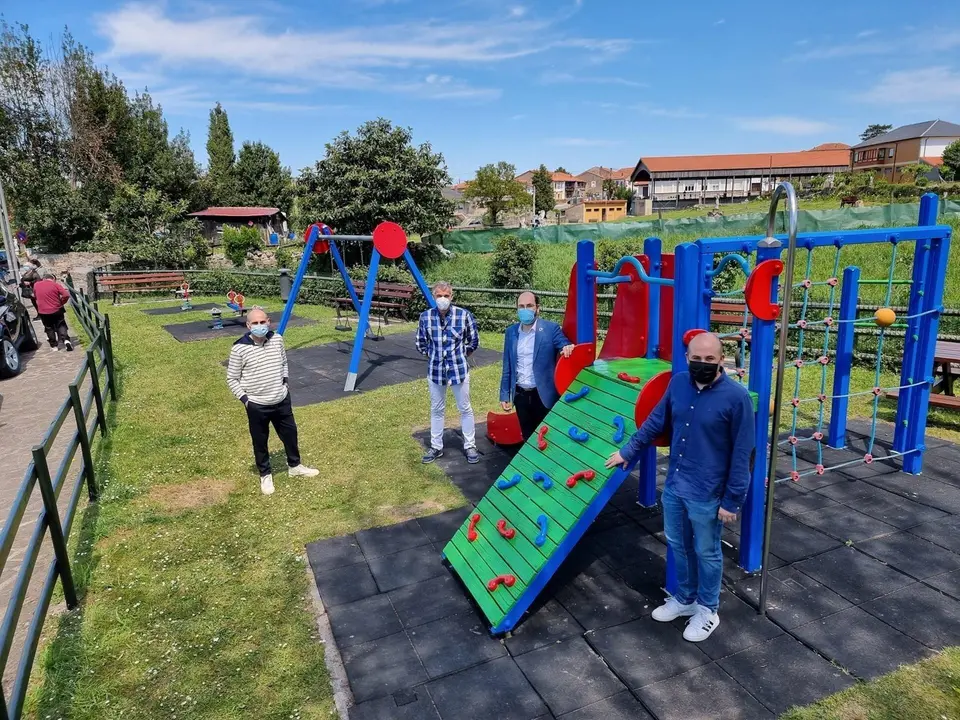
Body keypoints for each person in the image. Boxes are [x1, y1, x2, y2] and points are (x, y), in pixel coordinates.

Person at [605, 332, 755, 642]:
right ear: (687, 358)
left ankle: (707, 610)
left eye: (710, 359)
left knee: (707, 551)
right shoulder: (678, 385)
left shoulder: (736, 398)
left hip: (709, 492)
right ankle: (685, 600)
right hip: (675, 484)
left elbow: (743, 454)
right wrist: (628, 451)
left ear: (721, 359)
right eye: (696, 359)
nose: (702, 364)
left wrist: (733, 500)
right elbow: (655, 422)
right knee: (677, 544)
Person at [226, 307, 318, 495]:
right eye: (255, 323)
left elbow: (284, 363)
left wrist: (285, 383)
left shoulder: (277, 340)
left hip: (281, 399)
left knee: (290, 435)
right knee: (260, 441)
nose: (260, 326)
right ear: (248, 325)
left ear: (269, 322)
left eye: (263, 322)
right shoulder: (239, 348)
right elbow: (232, 379)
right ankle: (265, 474)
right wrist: (246, 400)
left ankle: (295, 466)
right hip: (257, 404)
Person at [415, 281, 480, 464]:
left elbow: (473, 340)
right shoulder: (425, 317)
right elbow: (420, 343)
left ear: (451, 297)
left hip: (459, 369)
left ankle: (470, 445)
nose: (442, 299)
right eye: (439, 295)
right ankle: (436, 446)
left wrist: (460, 355)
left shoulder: (463, 315)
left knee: (465, 408)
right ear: (433, 296)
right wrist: (433, 355)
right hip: (436, 370)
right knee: (437, 409)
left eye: (446, 295)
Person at [499, 291, 575, 440]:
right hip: (520, 395)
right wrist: (504, 394)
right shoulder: (511, 332)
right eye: (521, 306)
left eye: (529, 306)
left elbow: (564, 344)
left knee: (547, 437)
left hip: (543, 395)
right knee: (527, 437)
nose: (525, 309)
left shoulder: (550, 329)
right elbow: (507, 364)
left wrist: (567, 347)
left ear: (537, 308)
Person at [34, 269, 73, 351]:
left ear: (44, 279)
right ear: (53, 279)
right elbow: (66, 295)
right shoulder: (55, 285)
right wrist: (61, 302)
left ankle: (54, 345)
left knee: (49, 327)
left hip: (43, 311)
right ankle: (66, 340)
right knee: (61, 324)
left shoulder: (36, 285)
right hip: (56, 309)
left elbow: (35, 296)